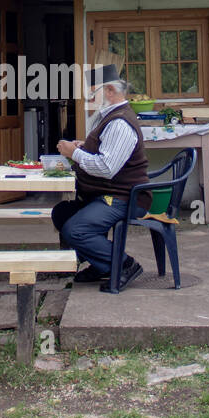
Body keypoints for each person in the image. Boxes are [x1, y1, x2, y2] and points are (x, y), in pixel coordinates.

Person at [51, 64, 149, 291]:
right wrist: (85, 147)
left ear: (110, 92)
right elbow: (108, 152)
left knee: (75, 230)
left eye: (93, 92)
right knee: (62, 213)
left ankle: (124, 265)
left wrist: (74, 153)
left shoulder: (120, 123)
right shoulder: (110, 117)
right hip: (106, 193)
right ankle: (101, 264)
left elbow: (107, 168)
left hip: (124, 197)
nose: (90, 98)